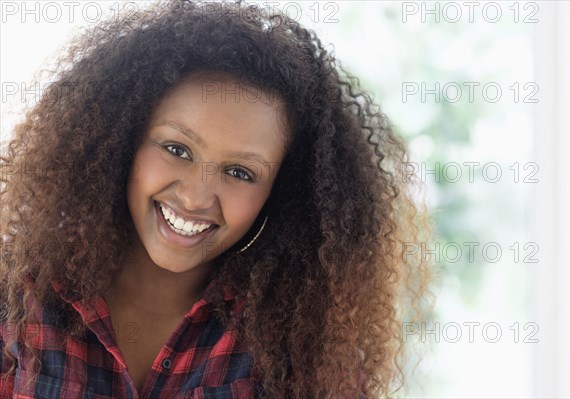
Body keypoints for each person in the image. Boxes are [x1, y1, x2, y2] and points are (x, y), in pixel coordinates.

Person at [0, 0, 433, 397]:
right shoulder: (18, 293)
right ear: (121, 141)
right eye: (176, 149)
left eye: (240, 172)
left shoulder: (306, 350)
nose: (194, 195)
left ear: (282, 194)